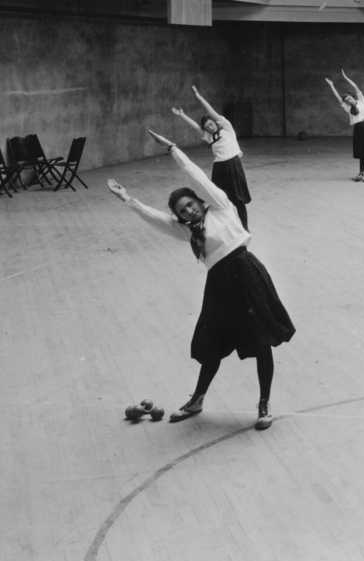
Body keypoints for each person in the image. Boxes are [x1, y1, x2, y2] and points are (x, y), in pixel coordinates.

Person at [105, 128, 295, 428]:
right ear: (180, 217)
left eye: (191, 204)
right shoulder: (186, 232)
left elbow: (196, 176)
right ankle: (197, 400)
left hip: (247, 276)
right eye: (183, 211)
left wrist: (172, 149)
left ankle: (263, 405)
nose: (189, 210)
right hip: (219, 286)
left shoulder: (220, 206)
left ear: (200, 201)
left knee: (261, 342)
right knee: (212, 345)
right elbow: (156, 220)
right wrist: (128, 199)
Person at [171, 84, 251, 229]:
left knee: (238, 200)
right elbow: (195, 126)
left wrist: (199, 97)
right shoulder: (209, 137)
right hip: (219, 168)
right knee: (217, 196)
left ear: (215, 123)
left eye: (211, 124)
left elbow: (211, 111)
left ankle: (244, 227)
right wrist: (182, 115)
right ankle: (220, 224)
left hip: (234, 166)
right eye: (207, 126)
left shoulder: (227, 128)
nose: (209, 127)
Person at [325, 71, 364, 181]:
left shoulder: (361, 101)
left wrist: (346, 77)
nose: (348, 100)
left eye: (349, 98)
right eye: (346, 100)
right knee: (362, 152)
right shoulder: (347, 108)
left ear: (352, 96)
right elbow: (338, 98)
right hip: (358, 129)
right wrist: (331, 85)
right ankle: (361, 174)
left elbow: (356, 87)